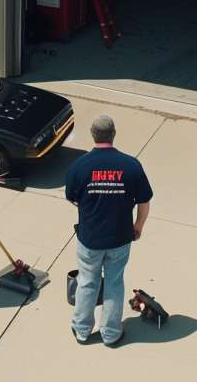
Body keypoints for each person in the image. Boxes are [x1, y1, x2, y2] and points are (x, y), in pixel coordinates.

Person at [65, 115, 153, 346]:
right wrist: (138, 226)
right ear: (113, 134)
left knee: (87, 282)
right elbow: (144, 201)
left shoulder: (79, 166)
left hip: (90, 239)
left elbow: (72, 198)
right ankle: (111, 334)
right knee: (114, 283)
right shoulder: (131, 165)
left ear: (93, 134)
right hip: (120, 238)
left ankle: (82, 331)